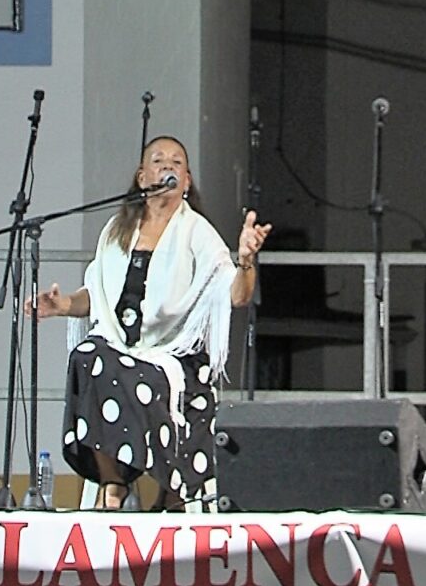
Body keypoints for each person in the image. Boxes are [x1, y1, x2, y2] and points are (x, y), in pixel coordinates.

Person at [27, 136, 271, 509]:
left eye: (177, 162)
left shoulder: (197, 233)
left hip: (174, 357)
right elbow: (98, 296)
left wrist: (246, 260)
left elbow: (235, 295)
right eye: (158, 161)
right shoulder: (115, 230)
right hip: (121, 350)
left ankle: (165, 494)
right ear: (143, 177)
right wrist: (62, 305)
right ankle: (113, 483)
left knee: (127, 373)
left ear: (186, 181)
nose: (168, 167)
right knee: (87, 356)